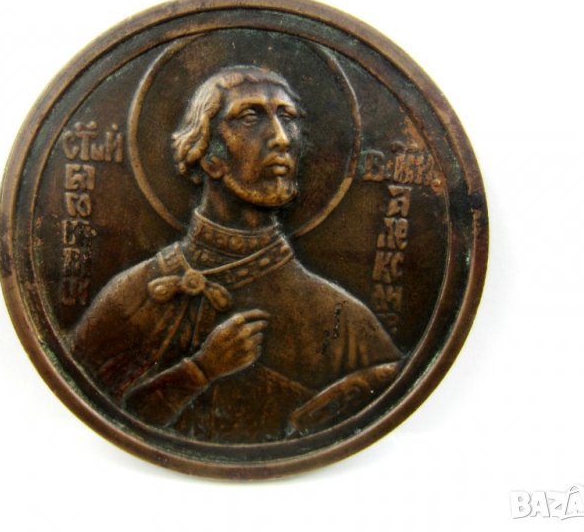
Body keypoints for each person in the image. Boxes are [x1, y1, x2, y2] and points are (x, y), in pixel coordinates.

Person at [71, 66, 402, 443]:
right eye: (250, 117)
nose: (281, 138)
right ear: (206, 153)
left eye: (288, 118)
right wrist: (198, 372)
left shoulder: (343, 321)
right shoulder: (131, 295)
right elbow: (89, 414)